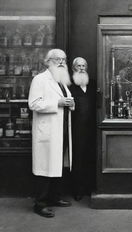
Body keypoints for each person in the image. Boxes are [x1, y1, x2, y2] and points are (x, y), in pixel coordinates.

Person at [28, 49, 75, 218]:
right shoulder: (40, 79)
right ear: (47, 62)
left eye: (64, 59)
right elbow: (33, 104)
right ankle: (40, 204)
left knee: (57, 165)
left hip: (61, 129)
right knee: (44, 167)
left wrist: (70, 103)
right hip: (48, 132)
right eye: (57, 59)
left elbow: (66, 101)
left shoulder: (62, 81)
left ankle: (54, 198)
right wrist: (58, 102)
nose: (61, 62)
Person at [69, 57, 96, 201]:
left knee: (90, 157)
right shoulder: (69, 86)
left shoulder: (92, 84)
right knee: (77, 158)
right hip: (76, 128)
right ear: (74, 68)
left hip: (92, 128)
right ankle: (77, 189)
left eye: (84, 66)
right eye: (78, 66)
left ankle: (88, 187)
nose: (81, 68)